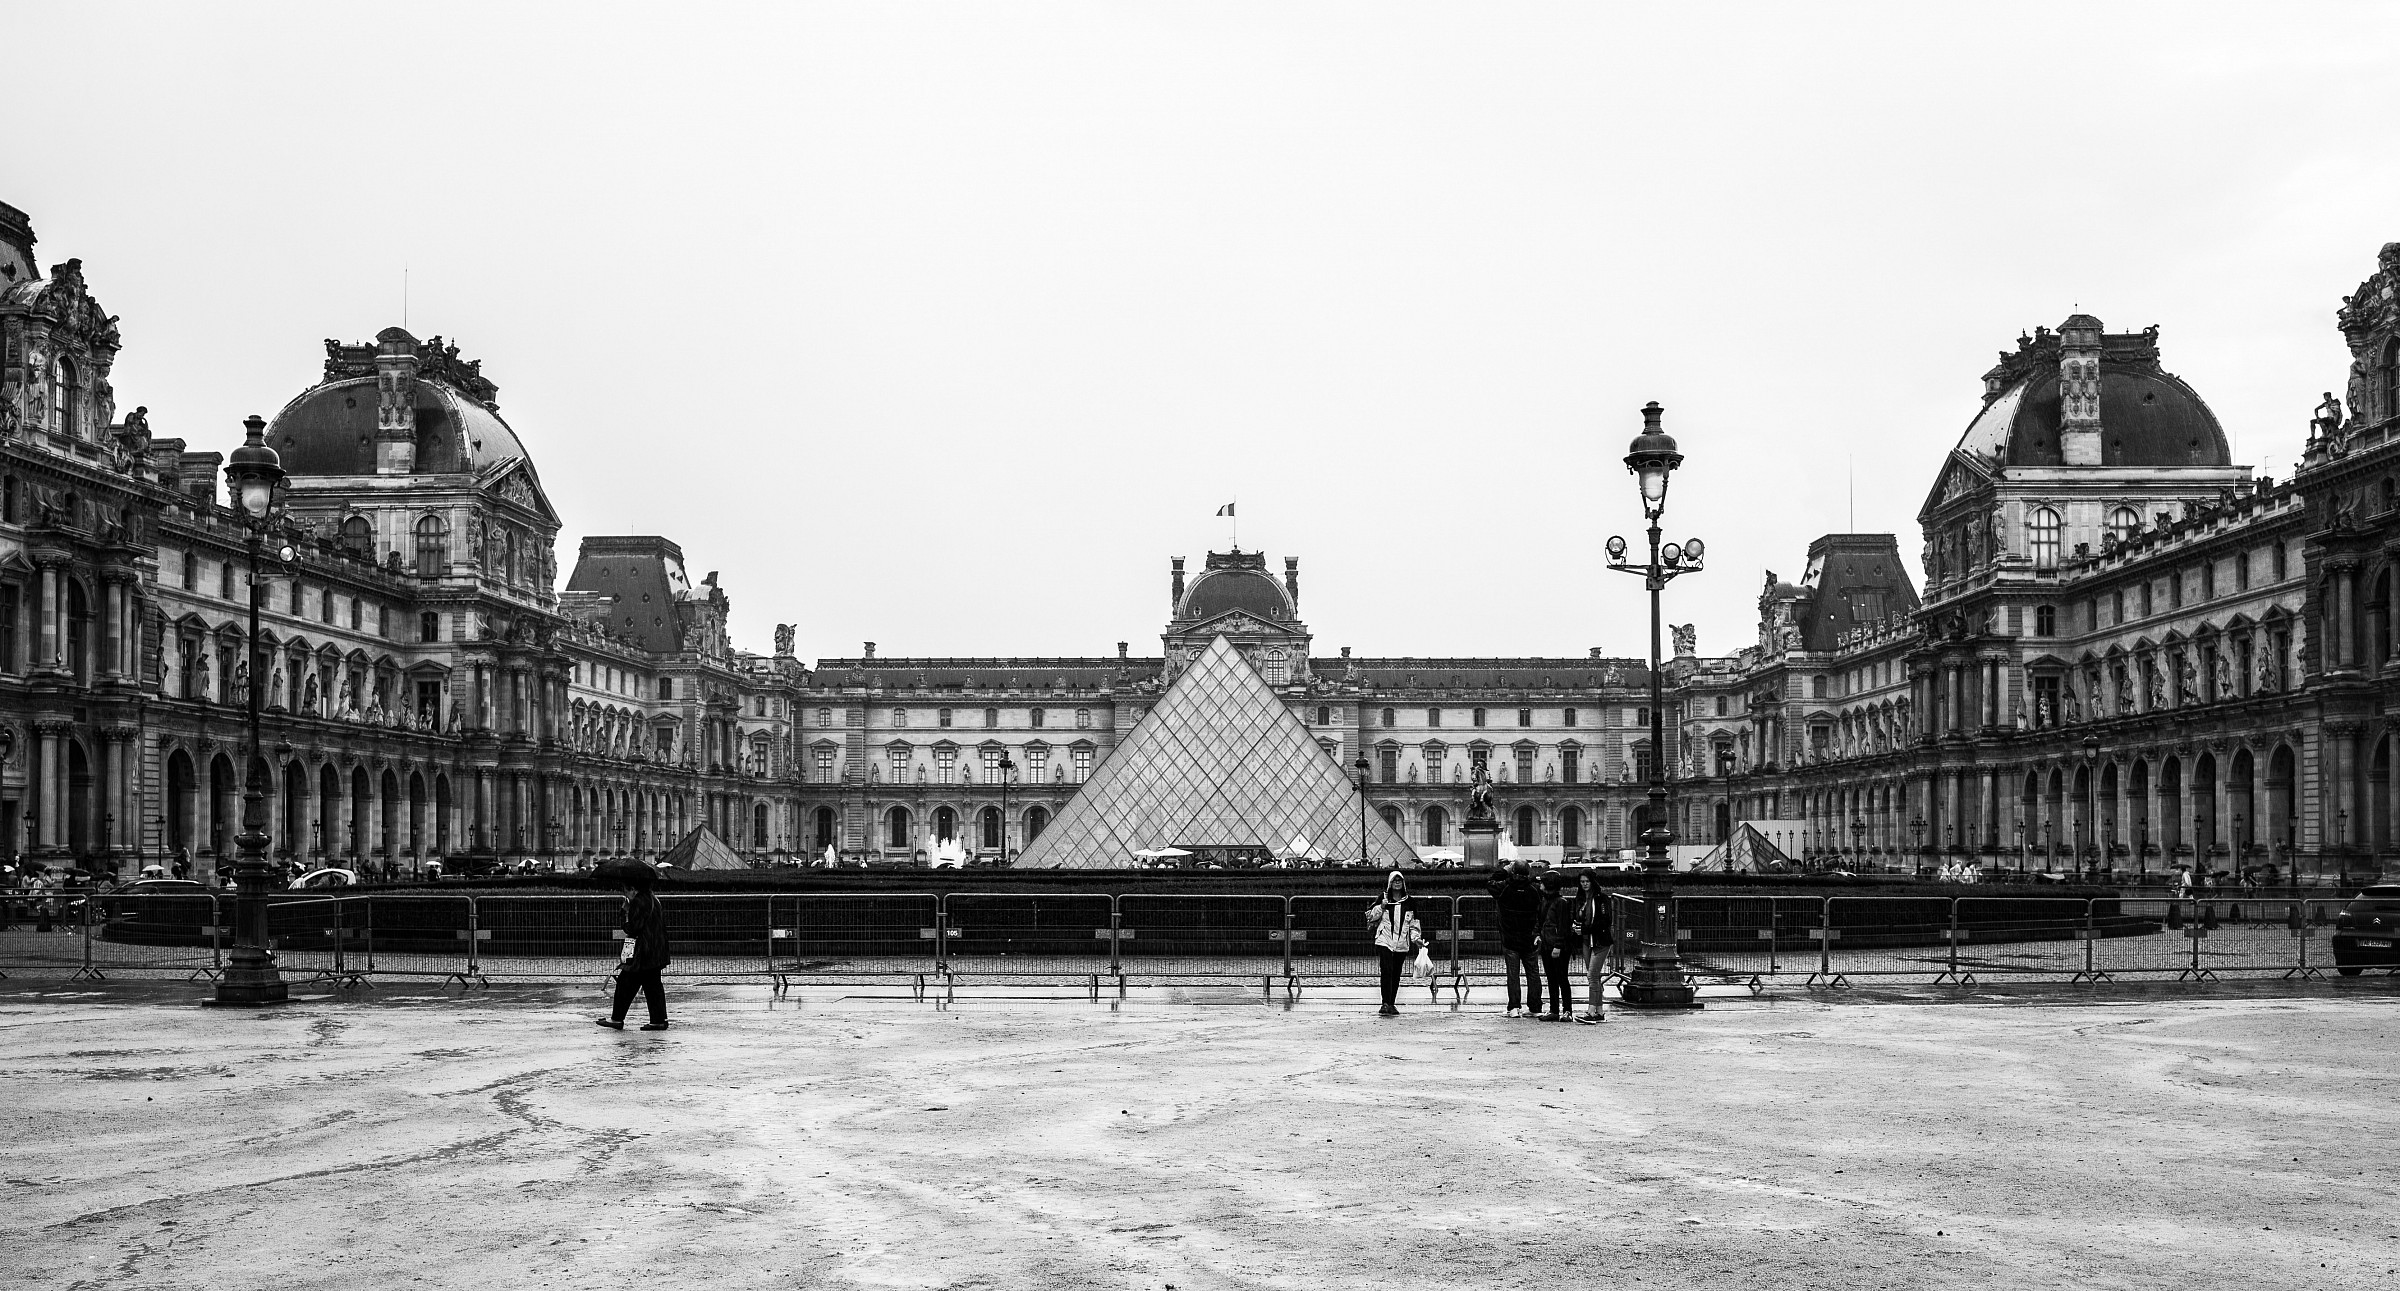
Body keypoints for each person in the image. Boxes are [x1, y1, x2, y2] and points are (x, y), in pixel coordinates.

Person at [598, 864, 672, 1031]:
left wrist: (626, 913)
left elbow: (633, 928)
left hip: (642, 952)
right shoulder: (653, 898)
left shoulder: (639, 902)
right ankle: (658, 1020)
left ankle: (617, 1019)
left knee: (625, 984)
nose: (625, 894)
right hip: (655, 950)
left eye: (625, 890)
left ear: (633, 889)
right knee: (653, 987)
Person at [1487, 859, 1545, 1017]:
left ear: (1513, 872)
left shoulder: (1504, 887)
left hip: (1510, 937)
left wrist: (1504, 870)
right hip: (1529, 937)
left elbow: (1490, 882)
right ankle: (1535, 1008)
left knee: (1513, 974)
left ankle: (1514, 1007)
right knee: (1533, 973)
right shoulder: (1534, 889)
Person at [1364, 869, 1424, 1017]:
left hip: (1402, 942)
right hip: (1384, 939)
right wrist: (1381, 906)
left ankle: (1391, 1003)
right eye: (1394, 880)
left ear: (1403, 883)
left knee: (1396, 973)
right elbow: (1370, 916)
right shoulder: (1383, 898)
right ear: (1390, 883)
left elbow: (1414, 924)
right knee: (1387, 970)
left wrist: (1416, 939)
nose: (1397, 883)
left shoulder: (1410, 901)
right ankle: (1385, 1002)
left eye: (1399, 880)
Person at [1532, 871, 1577, 1020]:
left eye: (1543, 882)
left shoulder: (1560, 902)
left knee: (1561, 978)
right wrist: (1538, 934)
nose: (1540, 885)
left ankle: (1567, 1010)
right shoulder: (1546, 900)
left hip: (1558, 946)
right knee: (1552, 978)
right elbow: (1540, 920)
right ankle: (1554, 1010)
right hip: (1547, 944)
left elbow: (1563, 926)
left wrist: (1558, 945)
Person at [1572, 871, 1610, 1024]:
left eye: (1587, 881)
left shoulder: (1602, 899)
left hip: (1600, 941)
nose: (1584, 884)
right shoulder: (1581, 898)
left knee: (1592, 976)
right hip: (1587, 941)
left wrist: (1585, 930)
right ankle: (1599, 1012)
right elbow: (1579, 917)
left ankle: (1591, 1010)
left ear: (1593, 882)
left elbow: (1606, 921)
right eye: (1582, 881)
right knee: (1594, 977)